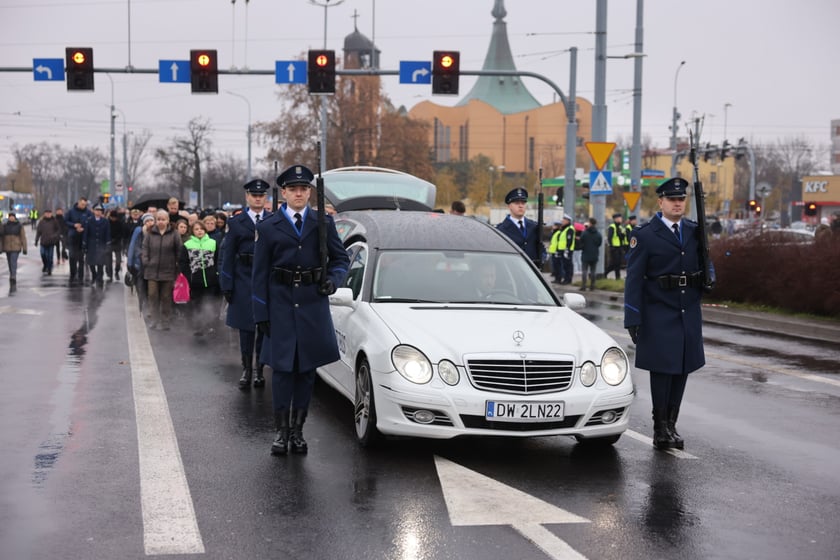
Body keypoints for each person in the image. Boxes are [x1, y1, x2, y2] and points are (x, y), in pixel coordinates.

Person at [253, 164, 349, 456]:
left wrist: (333, 281)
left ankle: (298, 431)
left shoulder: (323, 223)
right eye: (293, 189)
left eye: (304, 189)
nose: (299, 193)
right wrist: (261, 314)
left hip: (311, 305)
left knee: (306, 372)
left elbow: (340, 259)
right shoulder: (268, 226)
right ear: (283, 192)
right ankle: (281, 433)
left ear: (310, 192)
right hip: (280, 305)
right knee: (282, 371)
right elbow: (259, 275)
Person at [624, 177, 711, 451]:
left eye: (681, 199)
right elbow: (634, 279)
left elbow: (706, 261)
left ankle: (672, 424)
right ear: (660, 202)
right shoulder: (646, 234)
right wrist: (633, 318)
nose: (677, 203)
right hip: (658, 312)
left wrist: (709, 277)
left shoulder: (694, 231)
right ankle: (660, 428)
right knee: (663, 371)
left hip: (687, 311)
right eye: (672, 199)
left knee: (682, 368)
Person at [220, 179, 272, 391]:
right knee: (246, 329)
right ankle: (246, 369)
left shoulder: (273, 220)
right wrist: (227, 284)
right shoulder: (235, 223)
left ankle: (260, 370)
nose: (258, 198)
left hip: (266, 281)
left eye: (261, 195)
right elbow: (228, 255)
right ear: (247, 197)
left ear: (266, 198)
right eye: (254, 195)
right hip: (243, 280)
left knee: (264, 327)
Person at [142, 209, 182, 330]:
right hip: (152, 270)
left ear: (168, 220)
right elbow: (145, 248)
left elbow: (179, 250)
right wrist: (146, 261)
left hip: (168, 270)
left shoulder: (174, 233)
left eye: (163, 219)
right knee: (152, 295)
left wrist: (177, 264)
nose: (160, 221)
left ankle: (165, 321)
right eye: (158, 219)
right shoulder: (150, 233)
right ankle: (154, 319)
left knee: (166, 297)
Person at [179, 220, 219, 336]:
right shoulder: (187, 245)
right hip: (195, 281)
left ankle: (210, 326)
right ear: (193, 231)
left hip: (211, 280)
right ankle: (198, 326)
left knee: (210, 303)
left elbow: (218, 260)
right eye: (196, 229)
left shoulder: (213, 243)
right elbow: (183, 262)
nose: (199, 231)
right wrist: (188, 276)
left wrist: (216, 273)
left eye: (201, 229)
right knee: (197, 303)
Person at [496, 187, 546, 267]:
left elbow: (541, 248)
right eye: (517, 203)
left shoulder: (534, 226)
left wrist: (542, 259)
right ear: (509, 206)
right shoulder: (501, 230)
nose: (520, 206)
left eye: (523, 203)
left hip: (532, 271)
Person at [127, 213, 156, 313]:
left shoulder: (156, 231)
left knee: (150, 287)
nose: (149, 223)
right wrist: (129, 262)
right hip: (139, 264)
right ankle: (141, 306)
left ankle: (148, 307)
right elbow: (132, 245)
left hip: (152, 265)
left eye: (151, 220)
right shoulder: (139, 231)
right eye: (147, 221)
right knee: (140, 286)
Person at [65, 197, 93, 286]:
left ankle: (81, 277)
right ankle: (73, 274)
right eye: (82, 204)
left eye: (85, 205)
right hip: (73, 237)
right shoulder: (71, 211)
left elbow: (91, 222)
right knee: (72, 257)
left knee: (81, 258)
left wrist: (84, 227)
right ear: (78, 203)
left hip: (83, 237)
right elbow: (65, 221)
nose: (83, 206)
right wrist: (74, 225)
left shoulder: (88, 212)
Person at [83, 204, 111, 288]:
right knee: (91, 263)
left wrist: (108, 244)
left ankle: (99, 278)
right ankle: (94, 275)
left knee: (100, 263)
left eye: (100, 210)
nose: (98, 212)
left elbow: (107, 233)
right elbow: (86, 233)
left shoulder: (105, 221)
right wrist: (84, 244)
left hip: (101, 244)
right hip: (91, 244)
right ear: (93, 211)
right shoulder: (89, 220)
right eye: (97, 210)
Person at [548, 214, 575, 285]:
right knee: (563, 265)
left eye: (564, 220)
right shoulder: (564, 229)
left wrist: (567, 249)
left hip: (566, 250)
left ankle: (567, 280)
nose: (562, 221)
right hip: (561, 249)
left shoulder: (569, 229)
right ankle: (563, 279)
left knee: (567, 266)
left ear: (568, 221)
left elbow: (569, 240)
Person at [35, 209, 62, 275]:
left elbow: (58, 230)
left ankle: (49, 268)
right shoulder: (41, 222)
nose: (48, 215)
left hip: (51, 242)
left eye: (49, 213)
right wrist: (36, 240)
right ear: (44, 214)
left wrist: (55, 235)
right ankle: (45, 265)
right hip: (43, 241)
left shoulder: (54, 221)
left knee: (50, 256)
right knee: (43, 254)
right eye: (47, 213)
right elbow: (38, 232)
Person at [2, 213, 27, 286]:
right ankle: (11, 273)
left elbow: (23, 237)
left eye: (12, 217)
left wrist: (24, 248)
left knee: (13, 261)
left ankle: (13, 275)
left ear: (15, 218)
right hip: (7, 247)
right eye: (10, 217)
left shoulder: (19, 226)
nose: (11, 218)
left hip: (16, 247)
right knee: (9, 262)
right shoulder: (5, 226)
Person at [578, 217, 602, 291]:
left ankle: (584, 286)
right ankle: (592, 286)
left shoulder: (585, 233)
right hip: (594, 254)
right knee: (593, 271)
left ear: (590, 223)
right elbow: (599, 243)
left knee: (584, 270)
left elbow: (581, 242)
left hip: (585, 254)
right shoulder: (598, 234)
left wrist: (583, 247)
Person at [605, 213, 627, 279]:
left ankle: (615, 277)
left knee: (618, 263)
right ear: (615, 219)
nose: (620, 219)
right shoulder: (612, 227)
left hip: (620, 247)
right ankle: (615, 276)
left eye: (620, 218)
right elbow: (609, 237)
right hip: (614, 247)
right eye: (619, 218)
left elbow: (622, 237)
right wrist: (611, 246)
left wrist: (623, 235)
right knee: (614, 263)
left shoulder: (620, 227)